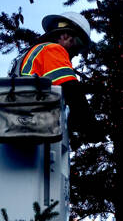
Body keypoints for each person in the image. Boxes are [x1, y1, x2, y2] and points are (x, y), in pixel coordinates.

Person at [10, 12, 99, 141]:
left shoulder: (39, 52)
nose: (76, 54)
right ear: (66, 35)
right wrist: (91, 128)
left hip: (24, 118)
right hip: (33, 119)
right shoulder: (53, 49)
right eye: (78, 45)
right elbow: (70, 89)